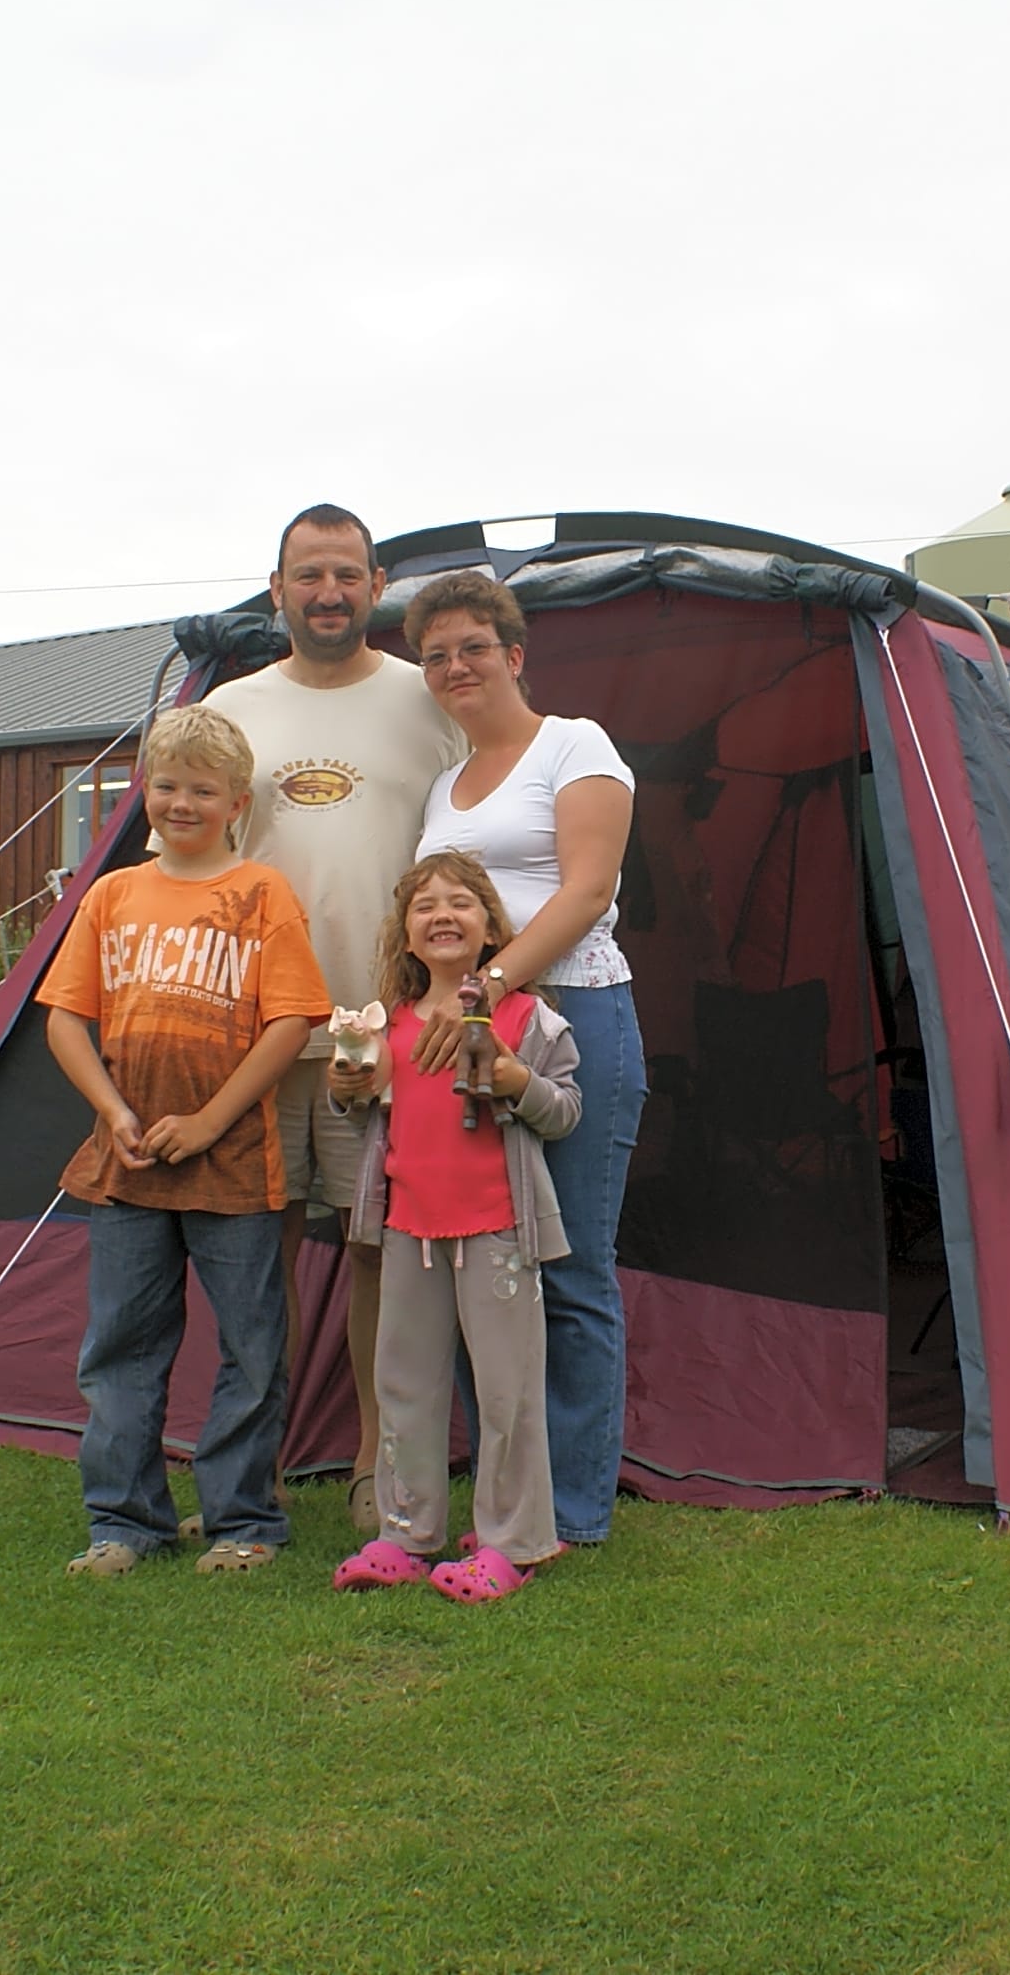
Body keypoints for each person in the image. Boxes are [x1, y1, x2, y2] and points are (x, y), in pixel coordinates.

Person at [201, 505, 469, 1527]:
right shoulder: (233, 707)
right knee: (251, 1260)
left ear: (375, 586)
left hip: (389, 1034)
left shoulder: (427, 698)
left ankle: (374, 1466)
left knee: (380, 1259)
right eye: (307, 575)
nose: (327, 593)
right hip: (256, 1033)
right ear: (276, 589)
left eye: (347, 575)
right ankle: (247, 1474)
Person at [37, 704, 330, 1579]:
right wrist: (113, 1112)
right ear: (143, 793)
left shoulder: (264, 894)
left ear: (237, 801)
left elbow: (288, 1025)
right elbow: (63, 1020)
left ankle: (242, 1519)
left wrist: (211, 1120)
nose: (182, 802)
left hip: (236, 1165)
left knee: (250, 1344)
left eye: (203, 789)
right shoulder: (113, 894)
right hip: (125, 1168)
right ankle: (124, 1522)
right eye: (166, 785)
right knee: (121, 1345)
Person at [402, 568, 642, 1550]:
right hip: (467, 1035)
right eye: (435, 655)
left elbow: (584, 891)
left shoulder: (575, 745)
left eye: (471, 646)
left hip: (571, 1016)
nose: (454, 666)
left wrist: (485, 991)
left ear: (513, 654)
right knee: (478, 1269)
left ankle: (576, 1509)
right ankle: (506, 1501)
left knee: (572, 1268)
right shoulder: (440, 785)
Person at [326, 851, 581, 1603]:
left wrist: (513, 1080)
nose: (443, 915)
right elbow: (364, 1112)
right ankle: (406, 1533)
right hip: (409, 1230)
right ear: (406, 936)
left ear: (493, 931)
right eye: (425, 906)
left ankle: (514, 1540)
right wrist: (346, 1088)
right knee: (403, 1384)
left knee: (506, 1394)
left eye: (462, 903)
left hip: (499, 1232)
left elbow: (564, 1112)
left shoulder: (527, 1019)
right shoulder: (387, 1022)